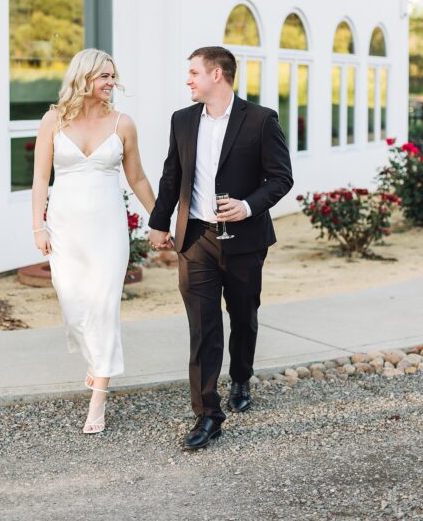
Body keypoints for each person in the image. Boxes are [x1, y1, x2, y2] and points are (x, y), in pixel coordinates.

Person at [148, 46, 293, 451]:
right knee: (203, 327)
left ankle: (242, 376)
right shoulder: (182, 120)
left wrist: (247, 206)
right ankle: (207, 414)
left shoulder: (261, 120)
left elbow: (281, 178)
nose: (188, 79)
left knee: (243, 315)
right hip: (196, 239)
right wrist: (160, 223)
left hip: (245, 240)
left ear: (217, 74)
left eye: (194, 72)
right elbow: (171, 175)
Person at [31, 49, 158, 434]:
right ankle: (95, 361)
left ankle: (99, 397)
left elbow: (137, 178)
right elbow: (40, 179)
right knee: (72, 305)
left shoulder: (123, 124)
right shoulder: (53, 120)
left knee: (104, 308)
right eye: (105, 76)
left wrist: (162, 217)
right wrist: (37, 226)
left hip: (108, 231)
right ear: (83, 77)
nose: (111, 83)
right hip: (64, 228)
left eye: (113, 77)